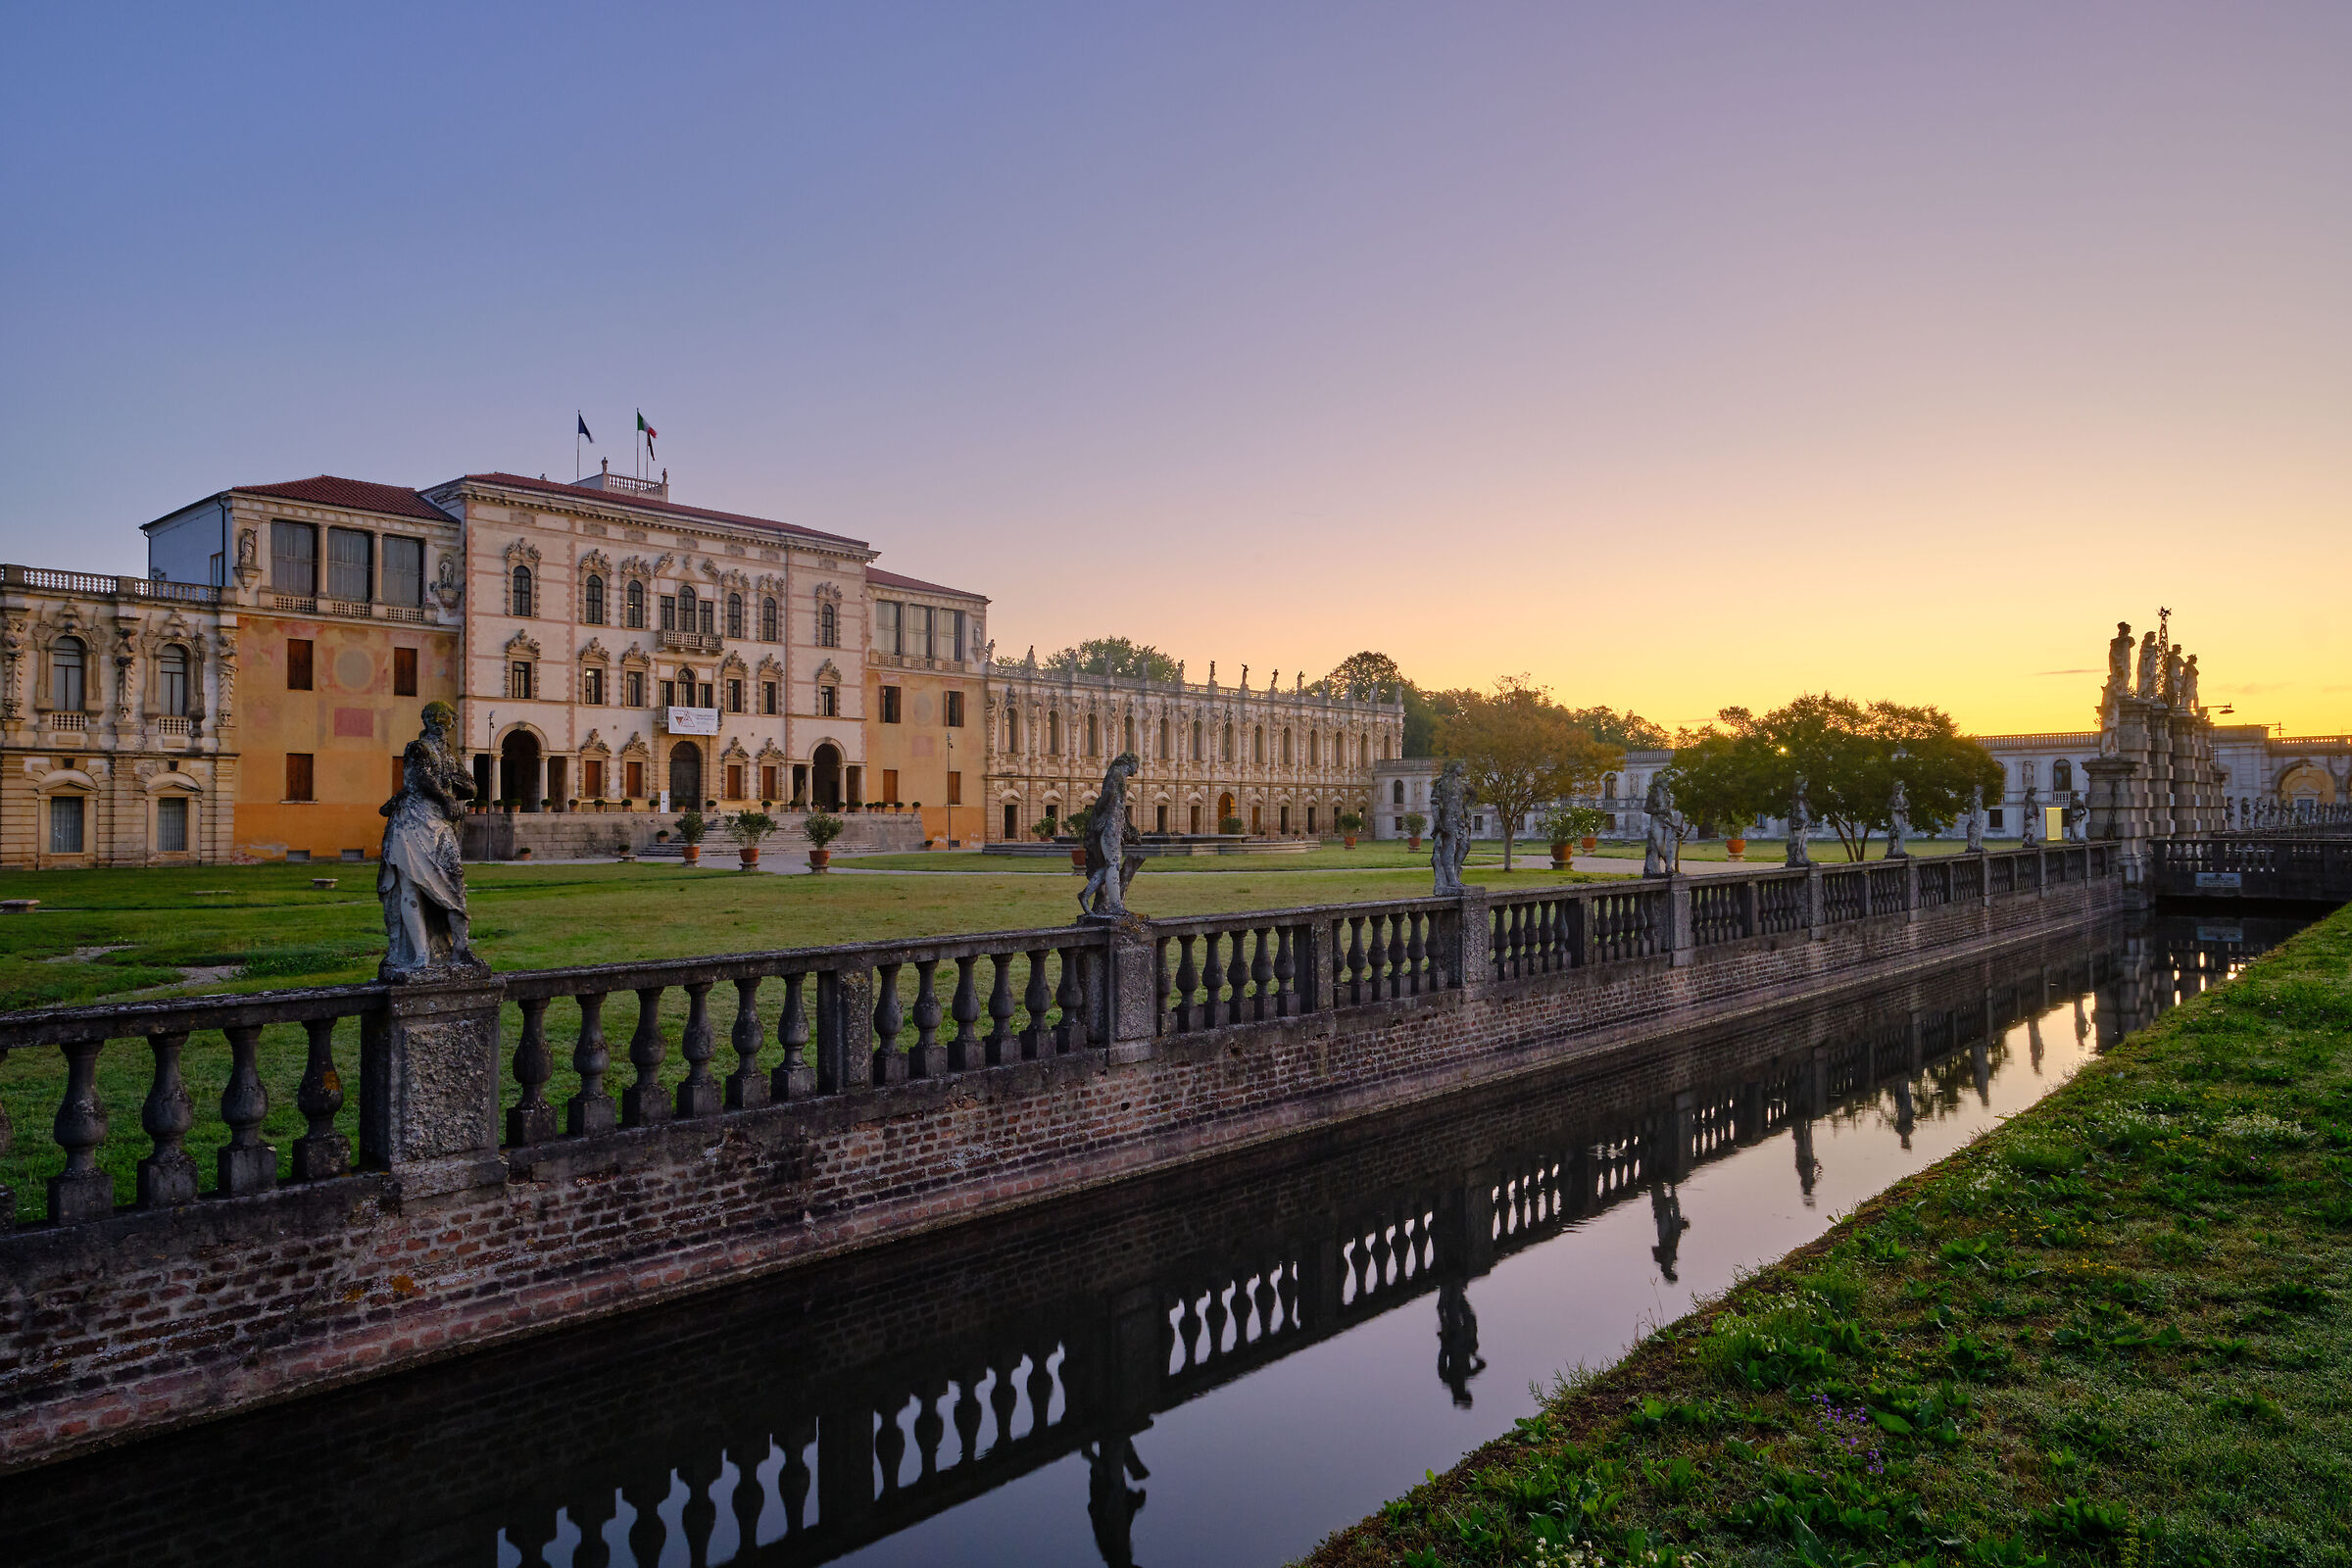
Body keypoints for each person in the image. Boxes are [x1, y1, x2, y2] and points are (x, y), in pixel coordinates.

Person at [377, 701, 484, 979]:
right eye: (433, 716)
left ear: (451, 721)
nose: (439, 720)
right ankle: (420, 953)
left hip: (438, 825)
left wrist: (451, 786)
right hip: (412, 821)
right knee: (410, 887)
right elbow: (422, 778)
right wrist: (446, 795)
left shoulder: (449, 755)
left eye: (444, 716)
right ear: (425, 720)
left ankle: (461, 948)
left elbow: (471, 786)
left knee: (454, 886)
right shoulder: (417, 748)